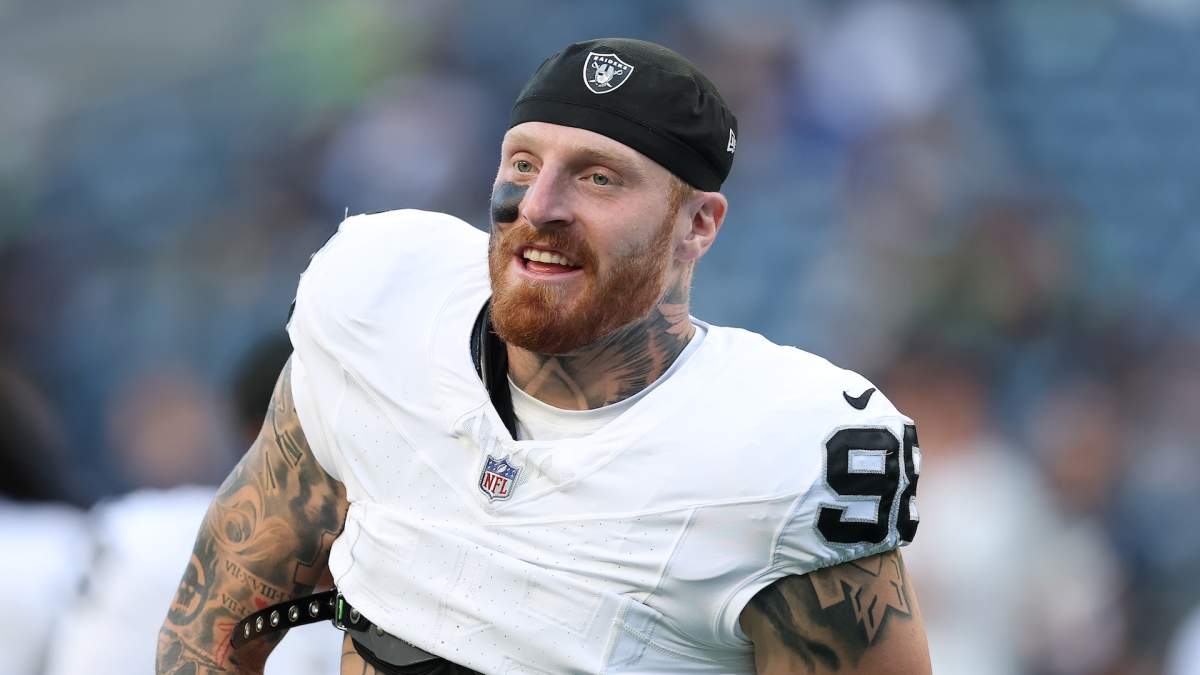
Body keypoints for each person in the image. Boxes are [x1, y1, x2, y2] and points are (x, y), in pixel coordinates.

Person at [158, 38, 930, 674]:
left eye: (598, 178)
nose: (538, 206)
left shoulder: (784, 452)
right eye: (524, 164)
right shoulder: (381, 303)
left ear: (697, 225)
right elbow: (213, 625)